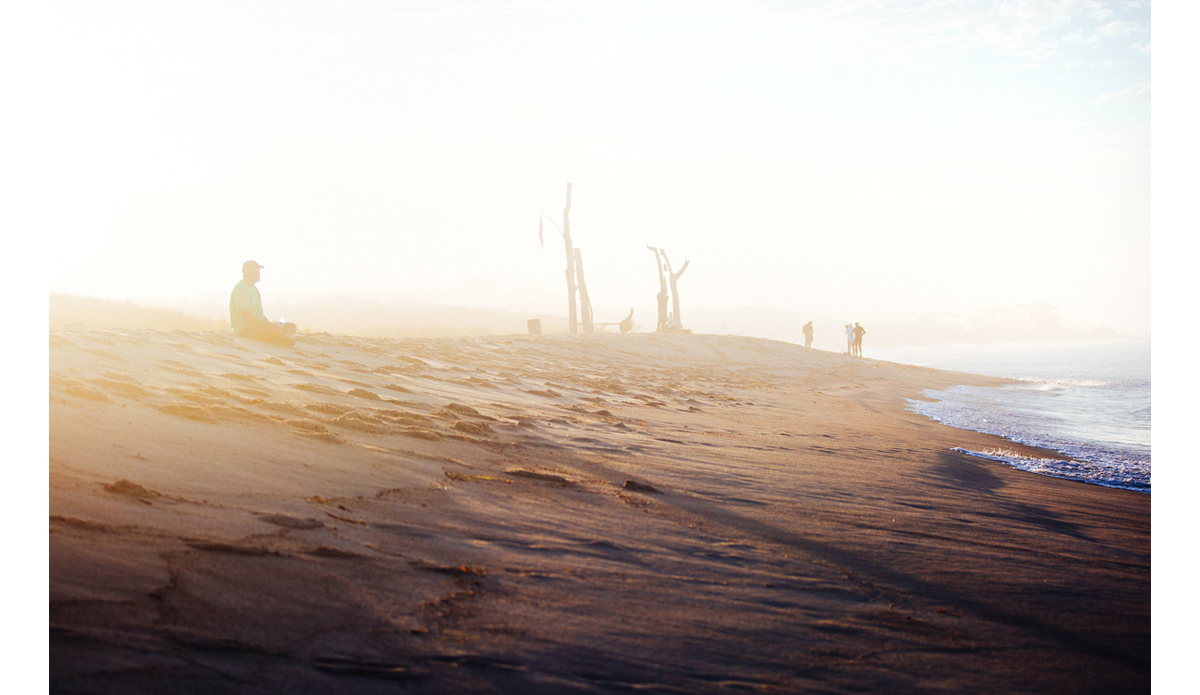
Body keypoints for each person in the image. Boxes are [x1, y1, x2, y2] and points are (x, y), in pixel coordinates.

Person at [230, 260, 297, 347]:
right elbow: (247, 317)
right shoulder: (241, 289)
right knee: (275, 328)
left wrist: (269, 323)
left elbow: (259, 315)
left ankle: (282, 339)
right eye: (257, 272)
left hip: (258, 325)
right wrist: (269, 325)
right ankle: (278, 338)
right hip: (244, 328)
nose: (259, 274)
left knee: (291, 326)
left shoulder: (254, 289)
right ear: (249, 272)